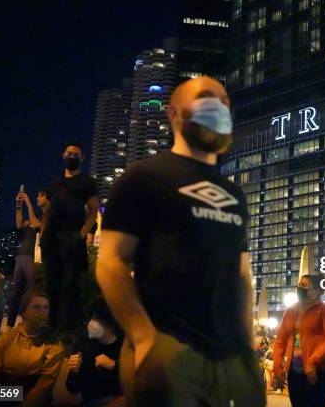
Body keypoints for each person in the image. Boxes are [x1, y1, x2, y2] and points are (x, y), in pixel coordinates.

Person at [96, 76, 265, 407]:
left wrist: (248, 343)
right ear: (174, 114)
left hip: (231, 356)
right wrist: (144, 337)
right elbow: (111, 260)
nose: (218, 106)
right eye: (206, 97)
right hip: (170, 347)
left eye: (225, 102)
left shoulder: (234, 194)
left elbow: (242, 274)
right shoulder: (143, 177)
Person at [43, 141, 98, 333]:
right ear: (63, 154)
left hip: (72, 236)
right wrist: (43, 235)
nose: (72, 157)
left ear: (82, 158)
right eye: (69, 153)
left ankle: (67, 329)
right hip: (52, 238)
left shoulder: (87, 182)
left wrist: (81, 234)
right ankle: (51, 326)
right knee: (52, 283)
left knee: (70, 284)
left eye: (76, 154)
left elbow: (93, 212)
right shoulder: (55, 184)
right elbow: (47, 212)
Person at [0, 288, 64, 406]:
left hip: (34, 397)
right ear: (24, 312)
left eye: (46, 307)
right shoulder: (8, 337)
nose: (42, 312)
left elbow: (45, 384)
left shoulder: (53, 343)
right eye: (36, 307)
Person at [273, 274, 325, 407]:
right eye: (299, 284)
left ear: (316, 291)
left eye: (304, 286)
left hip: (321, 371)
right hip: (295, 372)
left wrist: (313, 361)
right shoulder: (290, 310)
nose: (299, 288)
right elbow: (281, 340)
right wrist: (277, 366)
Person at [66, 296, 124, 406]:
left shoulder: (125, 344)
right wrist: (74, 372)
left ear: (112, 324)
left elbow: (138, 381)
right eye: (92, 317)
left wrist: (114, 366)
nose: (92, 322)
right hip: (92, 402)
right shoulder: (83, 344)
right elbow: (72, 389)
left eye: (98, 319)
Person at [6, 189, 47, 328]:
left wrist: (28, 203)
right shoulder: (29, 223)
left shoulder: (41, 222)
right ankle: (10, 325)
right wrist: (18, 206)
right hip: (21, 257)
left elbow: (36, 223)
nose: (37, 198)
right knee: (15, 293)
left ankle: (32, 323)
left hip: (31, 258)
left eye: (39, 196)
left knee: (32, 291)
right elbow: (19, 224)